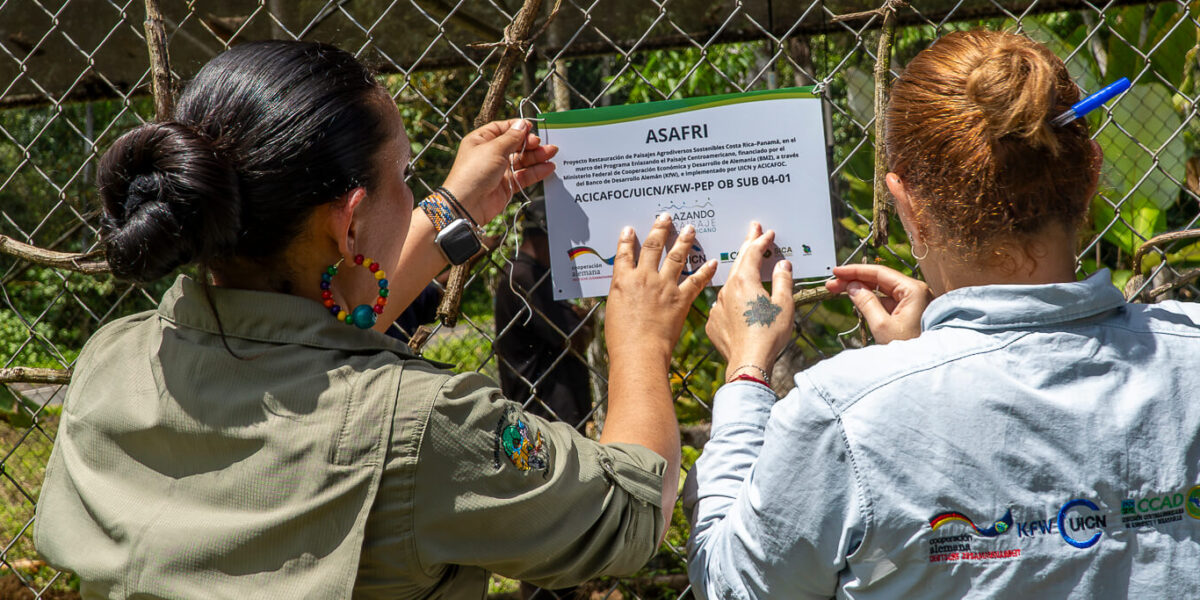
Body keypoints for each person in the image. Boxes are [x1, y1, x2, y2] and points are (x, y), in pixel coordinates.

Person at [33, 41, 717, 599]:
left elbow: (314, 341)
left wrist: (455, 209)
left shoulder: (112, 363)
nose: (415, 193)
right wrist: (640, 341)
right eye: (406, 176)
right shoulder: (423, 427)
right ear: (351, 220)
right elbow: (627, 515)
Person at [687, 30, 1200, 598]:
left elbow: (730, 582)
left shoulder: (844, 417)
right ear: (1090, 176)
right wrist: (911, 364)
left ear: (910, 207)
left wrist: (746, 372)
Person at [494, 199, 594, 431]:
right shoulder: (525, 277)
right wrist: (586, 321)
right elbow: (575, 338)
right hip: (546, 412)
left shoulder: (535, 274)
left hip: (550, 408)